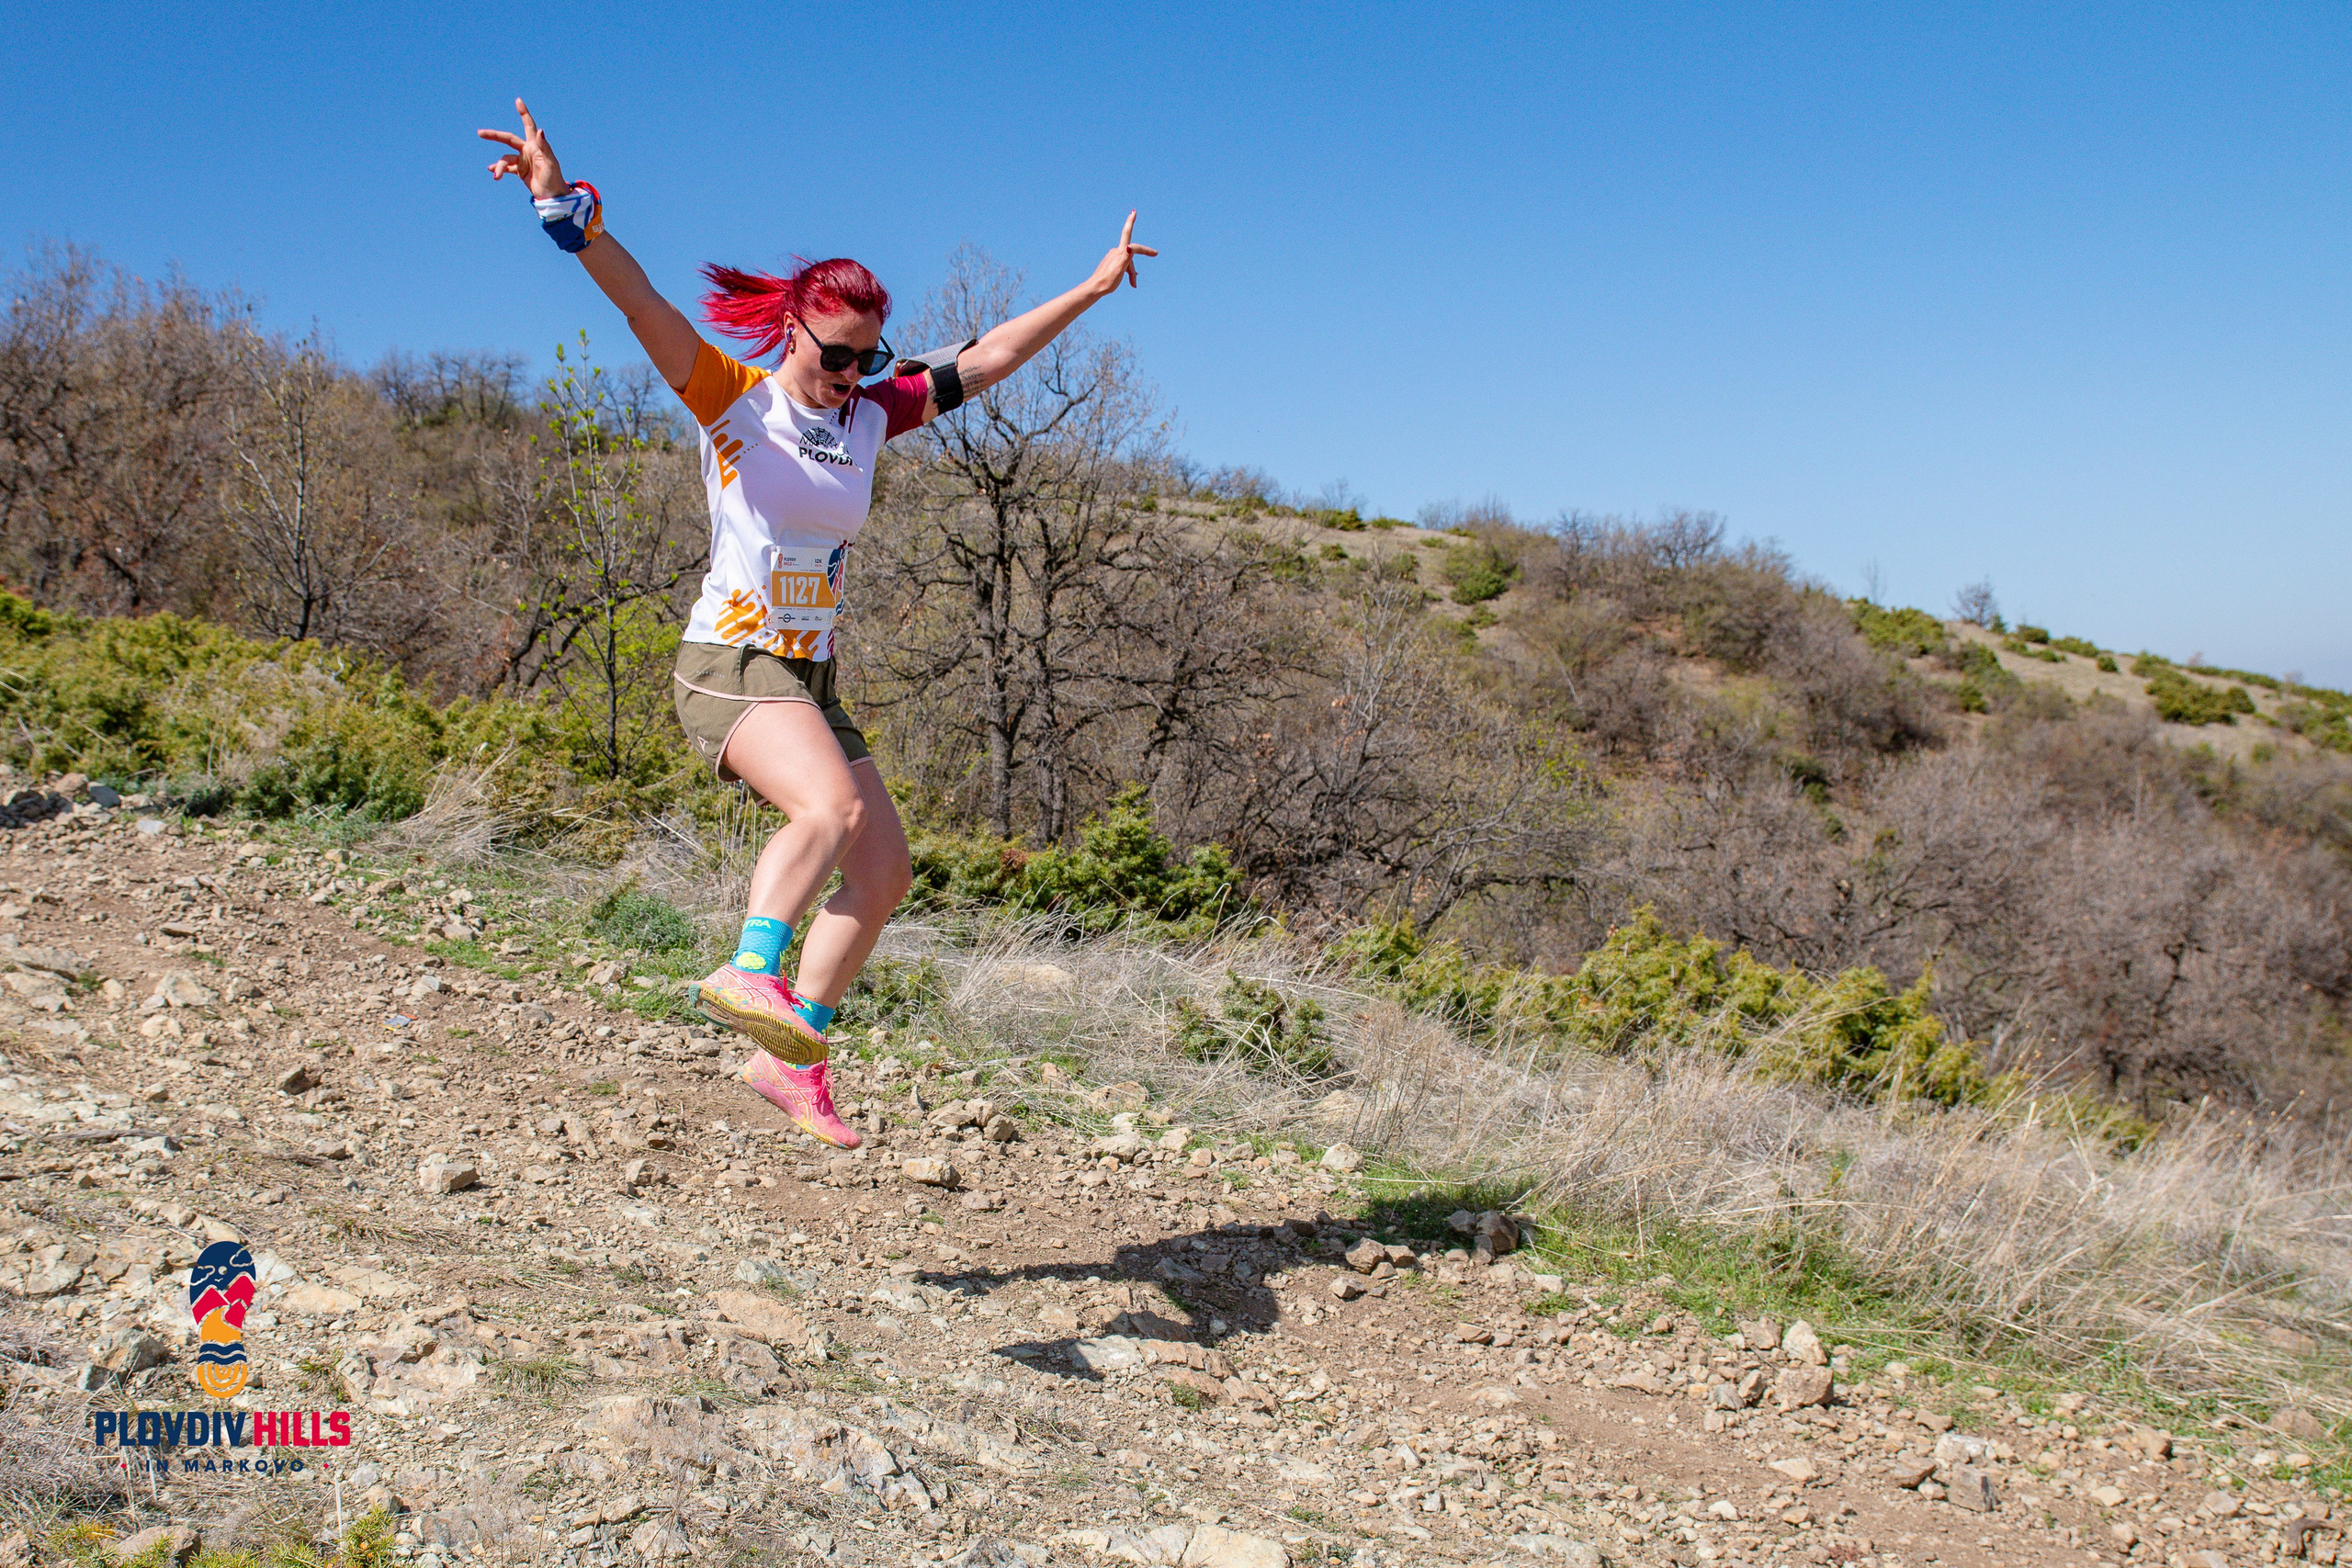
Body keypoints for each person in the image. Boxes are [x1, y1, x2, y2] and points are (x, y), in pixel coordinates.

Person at [478, 98, 1155, 1148]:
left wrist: (1092, 289)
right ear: (793, 329)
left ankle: (789, 1057)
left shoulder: (870, 417)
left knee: (883, 870)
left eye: (867, 357)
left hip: (808, 675)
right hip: (730, 663)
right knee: (827, 814)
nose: (852, 375)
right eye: (837, 355)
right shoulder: (732, 399)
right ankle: (749, 969)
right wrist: (564, 211)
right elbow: (639, 303)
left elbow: (986, 359)